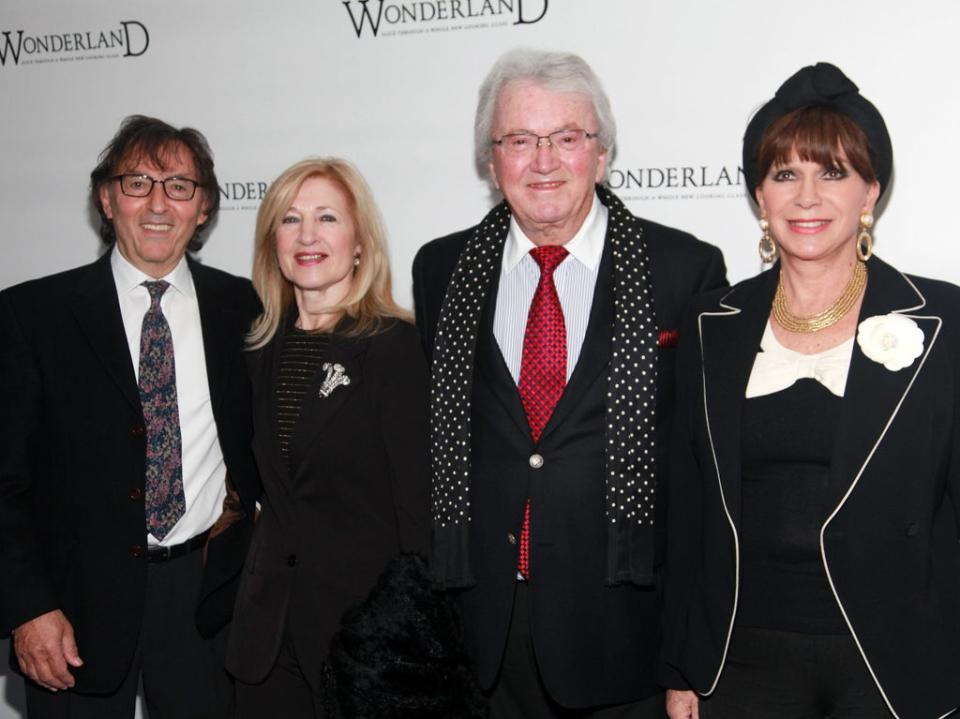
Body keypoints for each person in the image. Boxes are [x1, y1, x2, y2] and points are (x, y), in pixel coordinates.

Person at [413, 48, 727, 718]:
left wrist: (688, 659)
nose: (544, 160)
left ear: (603, 154)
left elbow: (704, 482)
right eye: (520, 140)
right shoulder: (441, 270)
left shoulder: (684, 271)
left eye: (567, 138)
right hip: (481, 634)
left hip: (623, 637)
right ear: (492, 161)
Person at [661, 62, 960, 719]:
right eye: (784, 174)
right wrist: (683, 664)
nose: (806, 197)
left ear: (870, 192)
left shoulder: (944, 321)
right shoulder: (714, 324)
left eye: (833, 173)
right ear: (760, 197)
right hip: (741, 662)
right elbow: (689, 509)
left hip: (891, 665)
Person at [0, 115, 260, 719]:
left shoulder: (245, 309)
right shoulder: (31, 316)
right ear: (106, 197)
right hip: (72, 610)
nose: (157, 204)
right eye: (138, 181)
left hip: (206, 601)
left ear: (203, 209)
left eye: (179, 186)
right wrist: (26, 607)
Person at [225, 157, 430, 718]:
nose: (308, 235)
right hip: (266, 640)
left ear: (361, 241)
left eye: (327, 218)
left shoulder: (397, 349)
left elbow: (419, 515)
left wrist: (408, 635)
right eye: (290, 220)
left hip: (367, 643)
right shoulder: (256, 352)